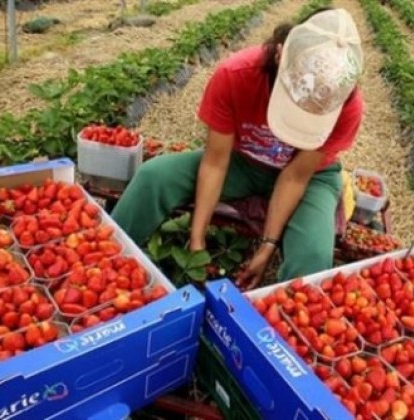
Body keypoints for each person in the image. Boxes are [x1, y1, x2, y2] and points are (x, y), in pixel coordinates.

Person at [111, 7, 365, 290]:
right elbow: (216, 162)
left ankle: (280, 327)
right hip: (243, 162)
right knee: (154, 176)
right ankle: (108, 260)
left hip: (309, 178)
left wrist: (268, 246)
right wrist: (197, 240)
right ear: (281, 54)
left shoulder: (348, 105)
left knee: (313, 255)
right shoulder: (236, 75)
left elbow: (296, 176)